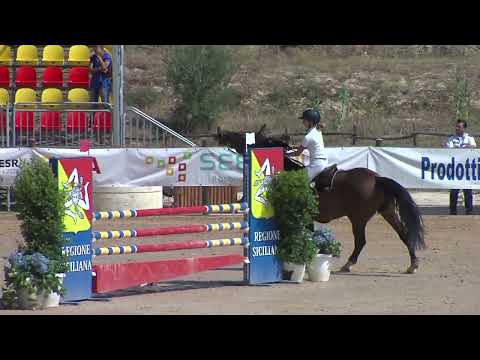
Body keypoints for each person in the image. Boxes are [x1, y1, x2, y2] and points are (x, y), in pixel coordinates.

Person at [445, 119, 476, 215]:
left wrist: (466, 147)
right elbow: (448, 148)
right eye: (456, 126)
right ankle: (453, 210)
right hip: (454, 167)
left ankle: (469, 210)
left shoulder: (469, 138)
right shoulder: (451, 138)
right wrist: (461, 148)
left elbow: (473, 147)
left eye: (459, 127)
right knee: (454, 190)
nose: (457, 128)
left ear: (464, 128)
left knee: (467, 190)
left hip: (466, 168)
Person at [289, 108, 328, 182]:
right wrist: (294, 146)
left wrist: (286, 155)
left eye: (304, 120)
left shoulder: (308, 137)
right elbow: (308, 145)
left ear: (311, 122)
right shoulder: (317, 130)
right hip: (323, 162)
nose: (303, 122)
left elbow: (297, 153)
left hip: (316, 165)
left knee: (295, 181)